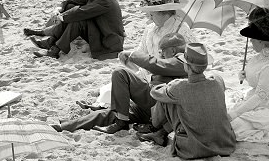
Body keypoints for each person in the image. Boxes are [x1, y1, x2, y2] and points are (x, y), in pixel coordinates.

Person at [55, 31, 187, 134]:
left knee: (120, 73)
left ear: (174, 50)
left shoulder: (182, 60)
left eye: (162, 51)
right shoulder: (176, 63)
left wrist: (132, 54)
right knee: (110, 113)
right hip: (153, 107)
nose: (162, 55)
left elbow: (155, 65)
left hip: (157, 103)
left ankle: (121, 122)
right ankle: (65, 126)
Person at [141, 42, 236, 158]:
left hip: (193, 148)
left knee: (167, 100)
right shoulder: (217, 80)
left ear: (187, 66)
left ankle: (155, 128)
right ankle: (160, 133)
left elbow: (155, 92)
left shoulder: (180, 87)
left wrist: (164, 82)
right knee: (190, 103)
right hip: (225, 143)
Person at [24, 0, 125, 60]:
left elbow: (82, 12)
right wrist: (59, 9)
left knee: (78, 20)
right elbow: (72, 1)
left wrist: (61, 17)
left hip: (109, 42)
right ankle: (50, 42)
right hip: (99, 30)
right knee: (71, 7)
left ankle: (54, 51)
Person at [228, 15, 269, 143]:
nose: (250, 41)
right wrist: (244, 75)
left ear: (262, 41)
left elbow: (259, 96)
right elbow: (257, 77)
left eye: (253, 38)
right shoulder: (261, 57)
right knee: (228, 118)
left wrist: (234, 114)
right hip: (259, 101)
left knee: (233, 127)